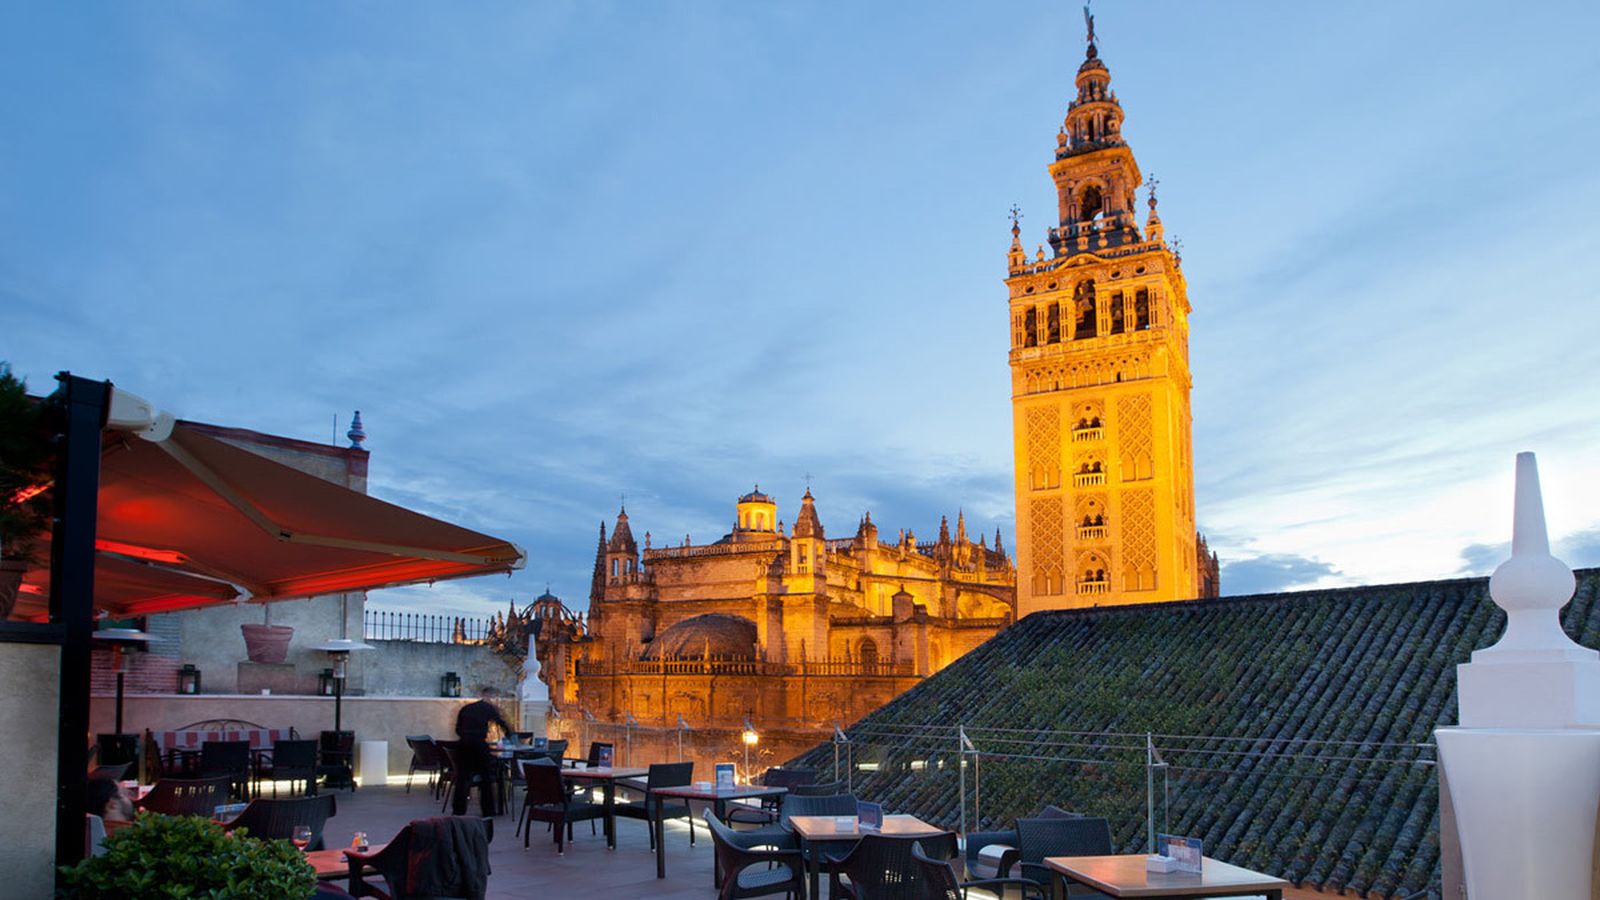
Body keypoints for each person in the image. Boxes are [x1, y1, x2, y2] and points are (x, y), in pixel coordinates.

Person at [451, 686, 512, 816]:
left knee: (462, 779)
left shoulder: (466, 708)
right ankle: (488, 810)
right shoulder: (488, 708)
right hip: (479, 745)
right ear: (491, 697)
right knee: (486, 779)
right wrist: (510, 737)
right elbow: (503, 724)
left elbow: (457, 729)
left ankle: (458, 810)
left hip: (462, 746)